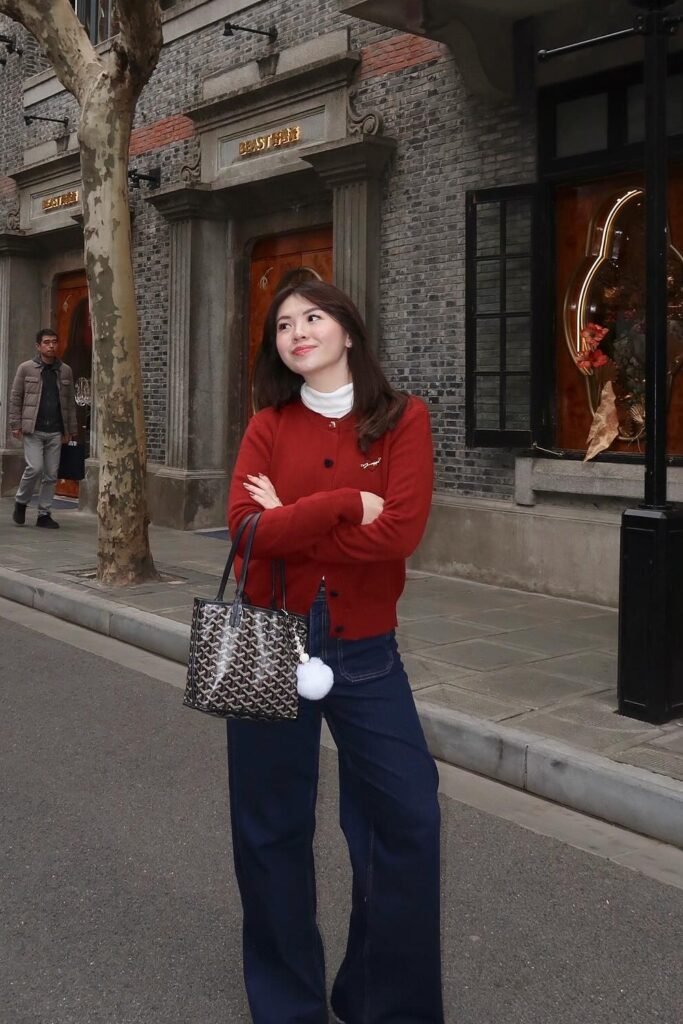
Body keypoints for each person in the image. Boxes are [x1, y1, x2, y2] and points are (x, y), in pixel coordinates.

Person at [226, 280, 443, 1024]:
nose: (297, 332)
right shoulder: (266, 424)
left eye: (312, 316)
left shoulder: (402, 420)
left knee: (406, 819)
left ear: (346, 329)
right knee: (269, 829)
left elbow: (401, 534)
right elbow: (245, 532)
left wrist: (288, 517)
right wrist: (344, 505)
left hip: (364, 649)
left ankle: (382, 1001)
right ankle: (287, 1006)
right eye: (283, 324)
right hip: (263, 640)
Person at [9, 328, 78, 529]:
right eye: (47, 342)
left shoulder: (65, 370)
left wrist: (71, 430)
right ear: (38, 346)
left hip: (56, 430)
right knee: (34, 468)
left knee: (51, 474)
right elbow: (16, 397)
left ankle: (44, 514)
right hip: (33, 429)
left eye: (54, 342)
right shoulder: (25, 368)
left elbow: (69, 403)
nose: (51, 346)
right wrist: (16, 424)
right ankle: (21, 502)